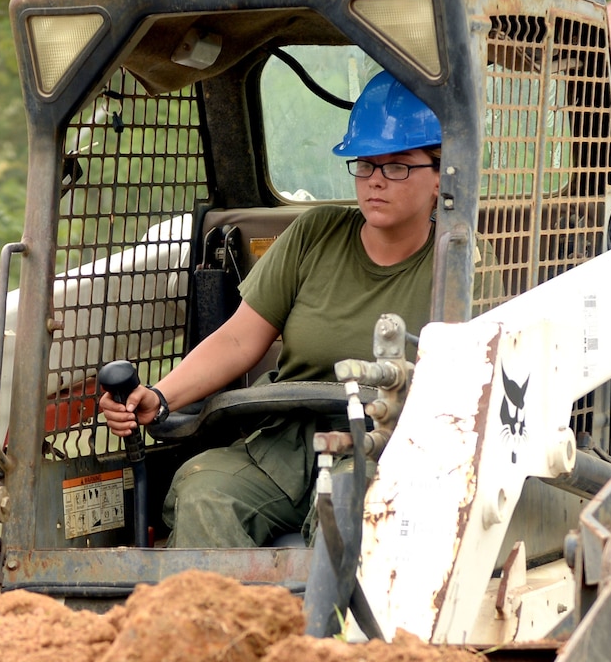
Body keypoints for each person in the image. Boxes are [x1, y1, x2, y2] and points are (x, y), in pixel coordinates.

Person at [101, 69, 441, 547]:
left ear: (441, 174)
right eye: (365, 164)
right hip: (284, 442)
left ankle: (334, 624)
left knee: (353, 506)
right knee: (203, 492)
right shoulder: (314, 235)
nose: (375, 181)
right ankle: (233, 620)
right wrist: (158, 397)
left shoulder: (460, 263)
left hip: (386, 449)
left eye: (398, 165)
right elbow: (239, 339)